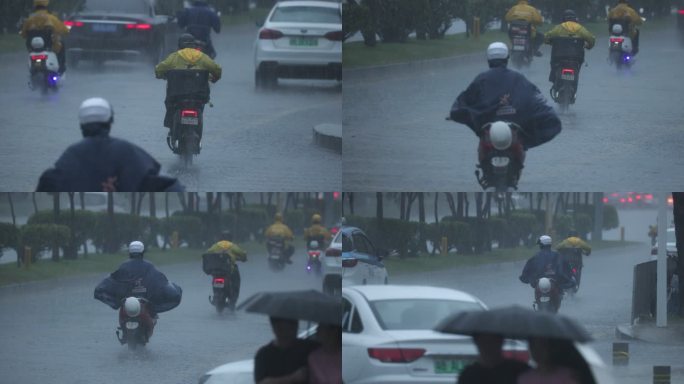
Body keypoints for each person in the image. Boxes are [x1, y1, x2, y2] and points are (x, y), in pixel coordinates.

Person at [449, 42, 561, 189]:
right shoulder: (518, 78)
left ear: (489, 60)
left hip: (504, 133)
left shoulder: (481, 79)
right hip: (508, 132)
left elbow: (463, 100)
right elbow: (535, 98)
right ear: (507, 59)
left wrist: (457, 112)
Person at [36, 97, 184, 192]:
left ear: (81, 125)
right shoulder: (128, 151)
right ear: (110, 122)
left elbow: (48, 181)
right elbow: (167, 184)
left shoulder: (70, 155)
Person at [94, 241, 182, 341]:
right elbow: (159, 280)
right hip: (140, 302)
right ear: (142, 252)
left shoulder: (124, 266)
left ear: (130, 253)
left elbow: (113, 280)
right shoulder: (149, 266)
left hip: (130, 302)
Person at [155, 33, 222, 139]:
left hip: (177, 96)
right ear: (193, 45)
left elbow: (159, 69)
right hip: (199, 97)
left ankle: (171, 126)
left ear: (179, 45)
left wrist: (161, 75)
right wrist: (214, 78)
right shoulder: (202, 56)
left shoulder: (175, 56)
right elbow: (217, 69)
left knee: (169, 103)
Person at [254, 317, 320, 384]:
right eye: (283, 329)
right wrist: (293, 378)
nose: (293, 330)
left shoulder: (311, 348)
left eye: (294, 325)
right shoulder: (263, 354)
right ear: (275, 328)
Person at [544, 9, 595, 95]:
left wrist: (549, 42)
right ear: (575, 19)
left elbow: (547, 37)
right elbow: (591, 39)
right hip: (576, 58)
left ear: (564, 19)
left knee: (553, 65)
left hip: (559, 57)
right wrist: (589, 46)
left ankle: (554, 79)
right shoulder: (580, 28)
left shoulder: (559, 27)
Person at [458, 332, 531, 384]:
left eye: (492, 342)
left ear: (501, 341)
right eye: (484, 342)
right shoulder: (468, 375)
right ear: (477, 342)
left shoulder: (520, 370)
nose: (488, 347)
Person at [20, 0, 69, 74]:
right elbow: (64, 30)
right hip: (50, 46)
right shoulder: (52, 18)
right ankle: (61, 68)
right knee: (62, 45)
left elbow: (23, 34)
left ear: (35, 6)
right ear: (46, 5)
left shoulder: (29, 20)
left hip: (33, 48)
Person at [517, 337, 583, 384]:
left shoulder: (568, 376)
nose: (537, 350)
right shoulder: (524, 378)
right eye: (533, 345)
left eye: (542, 345)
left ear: (550, 347)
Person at [205, 230, 247, 305]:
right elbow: (241, 254)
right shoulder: (232, 245)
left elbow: (208, 252)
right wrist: (244, 257)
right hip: (228, 271)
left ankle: (216, 294)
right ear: (231, 238)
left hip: (216, 271)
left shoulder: (216, 245)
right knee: (236, 280)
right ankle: (234, 297)